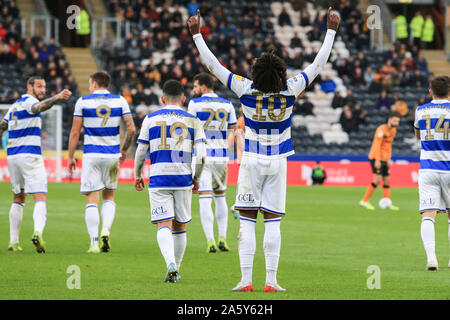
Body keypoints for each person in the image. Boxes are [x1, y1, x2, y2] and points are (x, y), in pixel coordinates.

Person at [188, 7, 339, 292]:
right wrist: (331, 30)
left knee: (246, 220)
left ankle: (246, 280)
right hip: (279, 162)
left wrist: (197, 35)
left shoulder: (245, 90)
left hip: (252, 161)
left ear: (256, 73)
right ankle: (271, 281)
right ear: (281, 74)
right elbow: (318, 65)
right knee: (273, 223)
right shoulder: (290, 90)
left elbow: (213, 66)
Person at [134, 80, 207, 283]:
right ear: (183, 99)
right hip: (183, 178)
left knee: (163, 223)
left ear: (163, 98)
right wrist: (196, 178)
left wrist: (138, 174)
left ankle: (170, 264)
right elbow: (201, 157)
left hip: (159, 177)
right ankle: (177, 268)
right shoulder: (193, 121)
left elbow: (140, 151)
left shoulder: (150, 118)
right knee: (180, 226)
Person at [0, 76, 72, 252]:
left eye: (44, 87)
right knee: (40, 196)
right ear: (29, 87)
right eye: (39, 86)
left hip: (13, 156)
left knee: (18, 197)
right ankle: (38, 233)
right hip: (29, 156)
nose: (42, 90)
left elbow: (2, 126)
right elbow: (39, 107)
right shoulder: (29, 102)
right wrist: (57, 97)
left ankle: (14, 242)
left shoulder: (15, 106)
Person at [67, 71, 136, 253]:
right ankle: (106, 229)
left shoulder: (83, 102)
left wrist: (70, 156)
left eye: (90, 84)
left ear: (95, 84)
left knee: (91, 198)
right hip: (112, 155)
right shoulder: (120, 101)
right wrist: (124, 150)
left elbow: (75, 132)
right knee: (109, 196)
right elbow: (131, 128)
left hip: (91, 155)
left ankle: (94, 242)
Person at [187, 73, 238, 253]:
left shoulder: (194, 104)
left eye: (195, 86)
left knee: (204, 198)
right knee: (221, 196)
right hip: (222, 157)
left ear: (203, 86)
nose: (194, 89)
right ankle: (223, 238)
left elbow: (189, 130)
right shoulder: (227, 104)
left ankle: (210, 242)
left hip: (202, 156)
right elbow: (235, 130)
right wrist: (226, 146)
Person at [413, 76, 450, 271]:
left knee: (428, 214)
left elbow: (418, 134)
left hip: (428, 168)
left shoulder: (421, 110)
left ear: (430, 92)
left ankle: (431, 259)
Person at [360, 112, 402, 211]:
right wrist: (377, 160)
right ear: (390, 119)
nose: (397, 123)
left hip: (384, 158)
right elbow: (376, 145)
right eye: (395, 120)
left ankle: (387, 203)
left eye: (398, 121)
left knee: (387, 180)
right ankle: (364, 201)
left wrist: (388, 158)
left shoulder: (393, 130)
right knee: (377, 179)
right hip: (375, 157)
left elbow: (389, 145)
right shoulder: (381, 130)